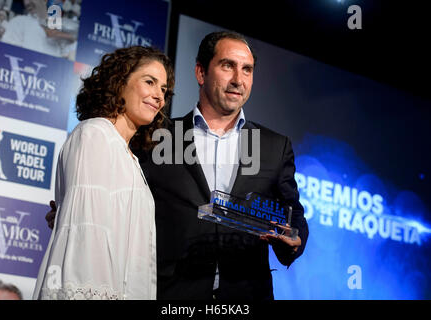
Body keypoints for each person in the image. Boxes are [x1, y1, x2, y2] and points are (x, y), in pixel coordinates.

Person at [47, 31, 308, 300]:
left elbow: (294, 217)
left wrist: (293, 241)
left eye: (247, 69)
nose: (238, 80)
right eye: (227, 65)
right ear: (200, 72)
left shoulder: (275, 147)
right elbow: (119, 197)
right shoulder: (155, 137)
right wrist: (77, 211)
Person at [34, 45, 174, 300]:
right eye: (150, 82)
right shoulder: (95, 135)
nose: (159, 96)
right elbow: (87, 236)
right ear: (120, 82)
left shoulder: (128, 155)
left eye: (163, 89)